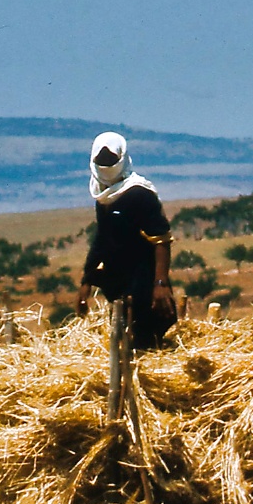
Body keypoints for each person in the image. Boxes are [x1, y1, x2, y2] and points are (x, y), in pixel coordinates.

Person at [76, 131, 178, 349]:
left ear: (122, 159)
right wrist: (86, 282)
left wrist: (160, 283)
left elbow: (161, 240)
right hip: (117, 278)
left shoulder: (140, 194)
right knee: (123, 336)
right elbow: (102, 239)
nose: (106, 166)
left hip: (142, 277)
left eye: (111, 161)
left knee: (145, 337)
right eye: (101, 161)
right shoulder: (102, 194)